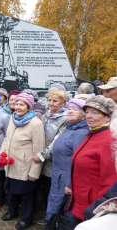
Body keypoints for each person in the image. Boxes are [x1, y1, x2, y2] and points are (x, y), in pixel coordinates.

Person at [67, 95, 117, 225]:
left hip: (92, 208)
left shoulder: (109, 140)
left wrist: (98, 209)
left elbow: (109, 182)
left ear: (108, 117)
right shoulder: (92, 134)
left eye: (95, 112)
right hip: (81, 202)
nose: (88, 116)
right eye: (87, 112)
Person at [0, 93, 45, 230]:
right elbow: (7, 139)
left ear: (29, 106)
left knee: (26, 195)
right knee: (11, 191)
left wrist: (35, 172)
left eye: (22, 104)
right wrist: (2, 155)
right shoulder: (13, 119)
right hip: (10, 164)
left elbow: (39, 149)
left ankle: (27, 219)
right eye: (16, 104)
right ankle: (12, 212)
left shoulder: (36, 123)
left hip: (25, 166)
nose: (18, 107)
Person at [45, 99, 89, 222]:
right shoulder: (71, 129)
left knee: (62, 211)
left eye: (75, 109)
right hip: (58, 178)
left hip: (66, 182)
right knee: (55, 207)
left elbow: (80, 162)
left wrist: (70, 184)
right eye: (69, 108)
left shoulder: (80, 134)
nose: (70, 111)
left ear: (83, 115)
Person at [33, 89, 68, 225]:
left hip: (51, 161)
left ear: (63, 103)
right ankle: (41, 211)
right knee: (40, 187)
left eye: (55, 101)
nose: (51, 103)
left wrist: (43, 155)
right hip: (39, 158)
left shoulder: (65, 119)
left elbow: (58, 141)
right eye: (49, 100)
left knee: (50, 190)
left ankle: (51, 218)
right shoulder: (46, 115)